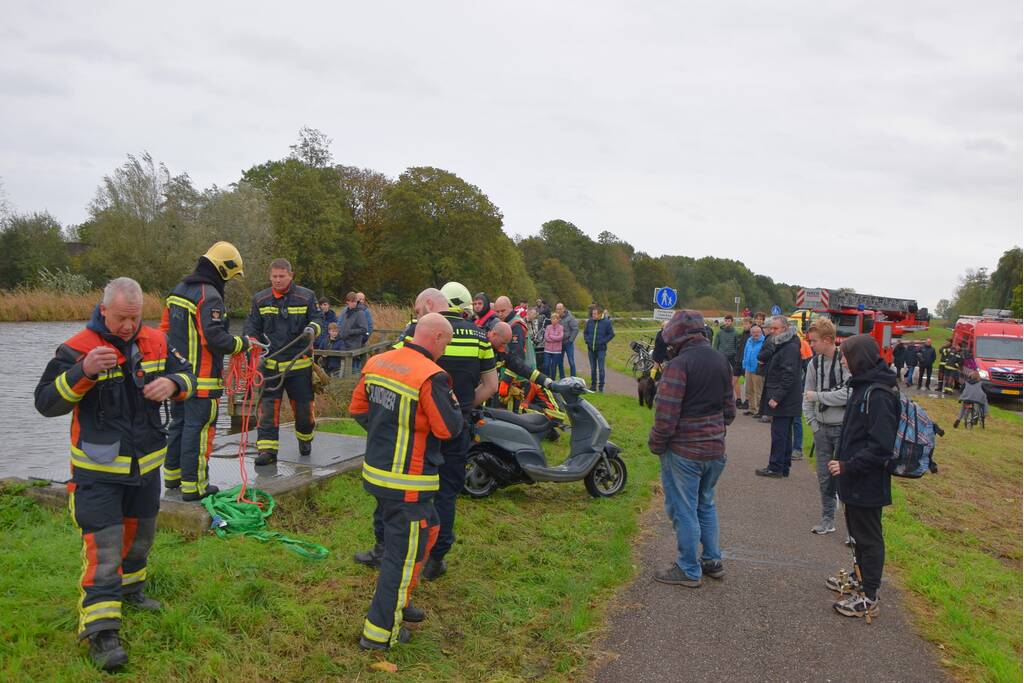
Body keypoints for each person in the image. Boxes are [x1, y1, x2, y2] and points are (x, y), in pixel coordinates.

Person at [35, 277, 196, 671]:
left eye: (135, 317)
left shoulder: (156, 342)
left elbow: (189, 376)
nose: (128, 326)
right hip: (98, 473)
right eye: (122, 318)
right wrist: (83, 372)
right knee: (105, 551)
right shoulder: (77, 348)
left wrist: (172, 384)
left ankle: (132, 591)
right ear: (103, 310)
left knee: (141, 538)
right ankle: (102, 631)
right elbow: (46, 403)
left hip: (146, 468)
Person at [355, 285, 498, 580]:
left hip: (415, 427)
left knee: (394, 489)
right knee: (446, 493)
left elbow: (390, 369)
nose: (417, 316)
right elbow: (491, 386)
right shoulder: (480, 334)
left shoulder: (415, 331)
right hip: (456, 428)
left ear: (430, 304)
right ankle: (435, 558)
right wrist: (462, 409)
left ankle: (384, 547)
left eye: (419, 311)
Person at [349, 313, 464, 650]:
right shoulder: (432, 376)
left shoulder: (378, 361)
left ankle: (401, 603)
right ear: (439, 337)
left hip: (379, 475)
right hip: (409, 482)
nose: (447, 348)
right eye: (448, 342)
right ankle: (380, 634)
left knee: (428, 530)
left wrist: (387, 434)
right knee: (399, 558)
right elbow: (447, 429)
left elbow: (357, 409)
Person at [648, 310, 735, 587]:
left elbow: (666, 416)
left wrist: (657, 444)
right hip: (715, 449)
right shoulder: (722, 361)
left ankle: (688, 568)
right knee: (705, 504)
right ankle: (712, 560)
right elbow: (730, 411)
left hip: (685, 451)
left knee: (683, 509)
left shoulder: (678, 365)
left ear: (678, 337)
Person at [162, 242, 250, 501]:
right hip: (202, 381)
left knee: (178, 426)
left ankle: (173, 477)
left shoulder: (177, 291)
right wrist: (241, 345)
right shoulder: (209, 295)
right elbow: (215, 338)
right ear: (223, 269)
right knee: (198, 432)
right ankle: (195, 486)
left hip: (177, 379)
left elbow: (164, 333)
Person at [828, 334, 899, 619]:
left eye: (845, 355)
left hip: (867, 481)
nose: (842, 361)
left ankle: (869, 596)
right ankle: (859, 580)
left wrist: (849, 466)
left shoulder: (878, 394)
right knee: (856, 534)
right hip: (854, 479)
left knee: (869, 538)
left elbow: (881, 447)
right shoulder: (862, 386)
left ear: (857, 357)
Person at [244, 258, 323, 465]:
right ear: (270, 276)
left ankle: (305, 440)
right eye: (274, 277)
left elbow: (319, 319)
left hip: (299, 367)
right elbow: (252, 327)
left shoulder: (306, 296)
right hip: (270, 368)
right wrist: (252, 343)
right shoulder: (260, 299)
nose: (277, 280)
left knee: (304, 414)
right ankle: (267, 452)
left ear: (291, 275)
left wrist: (313, 328)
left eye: (281, 276)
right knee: (267, 411)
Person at [802, 318, 850, 535]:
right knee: (824, 477)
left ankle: (852, 529)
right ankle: (827, 519)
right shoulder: (814, 363)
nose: (810, 345)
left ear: (828, 340)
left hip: (843, 428)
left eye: (814, 341)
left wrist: (820, 396)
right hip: (821, 428)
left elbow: (848, 394)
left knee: (846, 477)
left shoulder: (846, 361)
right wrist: (813, 424)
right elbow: (807, 396)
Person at [755, 316, 803, 478]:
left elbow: (788, 375)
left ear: (785, 329)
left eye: (775, 329)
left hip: (784, 398)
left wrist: (777, 397)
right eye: (771, 328)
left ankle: (776, 467)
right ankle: (783, 466)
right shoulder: (786, 344)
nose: (772, 331)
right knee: (784, 434)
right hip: (786, 397)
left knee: (779, 434)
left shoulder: (789, 347)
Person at [584, 306, 615, 392]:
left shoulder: (606, 322)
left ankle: (601, 387)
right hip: (591, 349)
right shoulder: (590, 322)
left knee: (601, 369)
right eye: (592, 313)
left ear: (600, 314)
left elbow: (611, 334)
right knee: (593, 368)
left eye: (594, 314)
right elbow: (585, 332)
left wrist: (603, 341)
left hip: (601, 349)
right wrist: (587, 341)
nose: (593, 315)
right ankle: (593, 386)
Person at [337, 291, 370, 371]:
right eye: (351, 301)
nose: (354, 303)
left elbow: (364, 329)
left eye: (355, 301)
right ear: (347, 302)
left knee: (354, 370)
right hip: (343, 343)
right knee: (342, 369)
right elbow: (341, 325)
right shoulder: (345, 312)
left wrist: (350, 332)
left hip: (354, 344)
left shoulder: (360, 313)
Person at [713, 315, 741, 404]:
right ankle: (721, 397)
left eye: (729, 321)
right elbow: (715, 345)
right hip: (721, 357)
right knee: (720, 378)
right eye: (726, 321)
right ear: (724, 322)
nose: (727, 322)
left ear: (732, 322)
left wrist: (736, 356)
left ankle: (738, 399)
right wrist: (715, 356)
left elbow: (738, 346)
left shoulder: (736, 333)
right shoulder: (719, 333)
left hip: (733, 358)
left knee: (734, 379)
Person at [742, 324, 765, 416]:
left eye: (758, 332)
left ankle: (759, 410)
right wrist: (744, 363)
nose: (756, 334)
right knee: (749, 389)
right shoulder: (749, 340)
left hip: (758, 369)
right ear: (751, 333)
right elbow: (745, 352)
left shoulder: (764, 341)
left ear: (761, 332)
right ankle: (751, 408)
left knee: (758, 390)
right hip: (748, 368)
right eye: (754, 332)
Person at [554, 303, 579, 378]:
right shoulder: (555, 317)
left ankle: (573, 378)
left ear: (563, 309)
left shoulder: (570, 317)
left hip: (568, 343)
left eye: (560, 309)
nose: (558, 310)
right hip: (559, 343)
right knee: (560, 362)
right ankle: (562, 378)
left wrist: (571, 340)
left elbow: (575, 329)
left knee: (571, 362)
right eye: (557, 309)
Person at [734, 318, 753, 409]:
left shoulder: (752, 335)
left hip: (746, 362)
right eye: (744, 324)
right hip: (738, 360)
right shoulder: (740, 335)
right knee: (733, 380)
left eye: (747, 324)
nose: (745, 326)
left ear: (750, 324)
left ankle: (747, 400)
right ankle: (738, 399)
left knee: (747, 383)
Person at [543, 311, 565, 377]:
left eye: (555, 319)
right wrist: (555, 337)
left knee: (554, 366)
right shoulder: (548, 327)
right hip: (547, 350)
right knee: (546, 365)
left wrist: (551, 336)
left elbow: (560, 337)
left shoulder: (561, 328)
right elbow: (546, 337)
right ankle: (546, 379)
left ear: (558, 320)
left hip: (557, 351)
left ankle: (553, 381)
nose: (553, 320)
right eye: (552, 318)